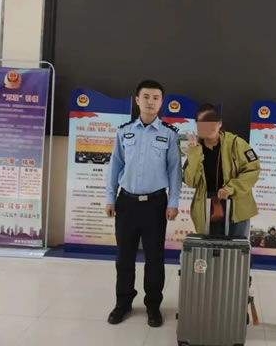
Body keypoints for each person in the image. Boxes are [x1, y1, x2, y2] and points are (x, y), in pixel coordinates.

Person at [105, 80, 182, 327]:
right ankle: (123, 303)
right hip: (126, 202)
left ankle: (153, 305)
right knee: (124, 257)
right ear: (137, 100)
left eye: (156, 97)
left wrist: (173, 202)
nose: (150, 102)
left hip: (155, 204)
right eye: (146, 97)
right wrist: (110, 197)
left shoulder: (169, 134)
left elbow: (175, 171)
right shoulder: (124, 131)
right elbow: (115, 165)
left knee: (155, 258)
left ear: (162, 102)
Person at [183, 103, 260, 236]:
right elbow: (191, 182)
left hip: (236, 206)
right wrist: (194, 152)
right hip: (206, 207)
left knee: (236, 247)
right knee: (209, 247)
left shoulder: (236, 143)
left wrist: (230, 188)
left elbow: (253, 170)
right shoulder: (195, 147)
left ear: (220, 123)